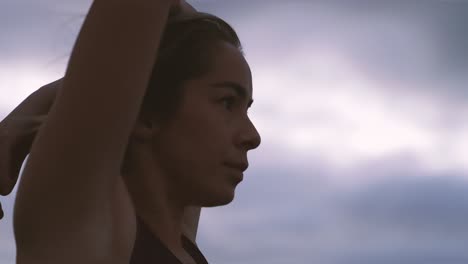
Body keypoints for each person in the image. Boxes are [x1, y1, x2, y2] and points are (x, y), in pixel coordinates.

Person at [1, 0, 261, 263]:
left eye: (245, 108)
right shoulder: (85, 231)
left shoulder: (177, 241)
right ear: (147, 117)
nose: (253, 136)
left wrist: (24, 114)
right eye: (227, 102)